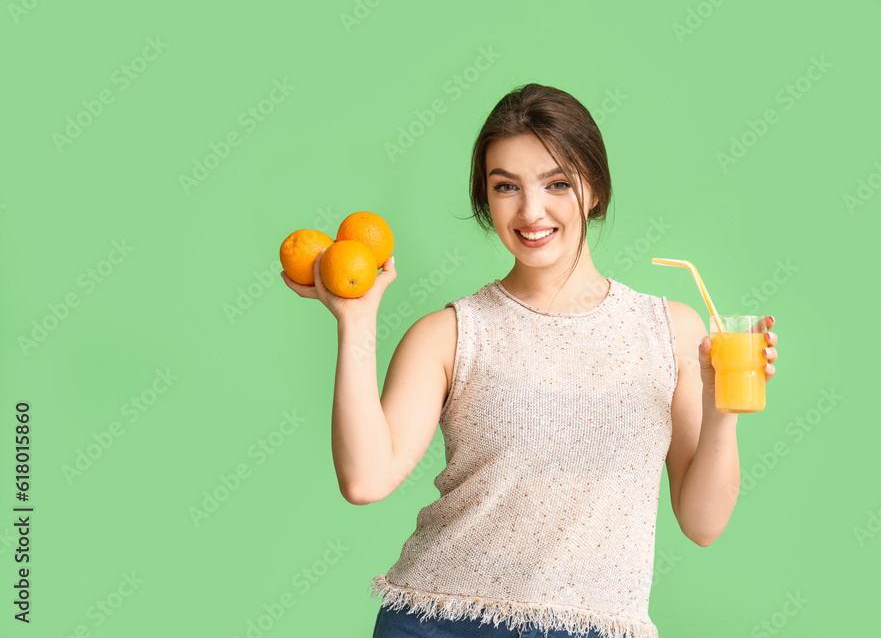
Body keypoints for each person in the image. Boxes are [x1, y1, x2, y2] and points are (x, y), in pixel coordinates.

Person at [281, 83, 778, 638]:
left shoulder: (671, 330)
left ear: (592, 189)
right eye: (506, 187)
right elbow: (365, 479)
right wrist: (356, 321)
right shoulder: (449, 335)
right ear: (486, 200)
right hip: (444, 625)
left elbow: (703, 523)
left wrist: (721, 404)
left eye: (556, 184)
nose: (531, 211)